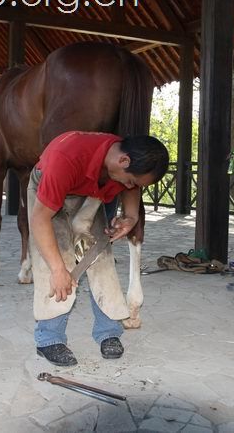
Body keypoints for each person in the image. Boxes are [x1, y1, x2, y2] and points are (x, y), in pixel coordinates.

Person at [28, 131, 169, 366]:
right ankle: (49, 339)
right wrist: (57, 269)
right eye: (131, 180)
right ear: (123, 161)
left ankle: (108, 332)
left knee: (100, 260)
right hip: (47, 192)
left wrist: (131, 218)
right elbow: (40, 219)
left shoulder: (121, 165)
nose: (130, 185)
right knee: (55, 263)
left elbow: (132, 188)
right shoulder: (65, 159)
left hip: (88, 192)